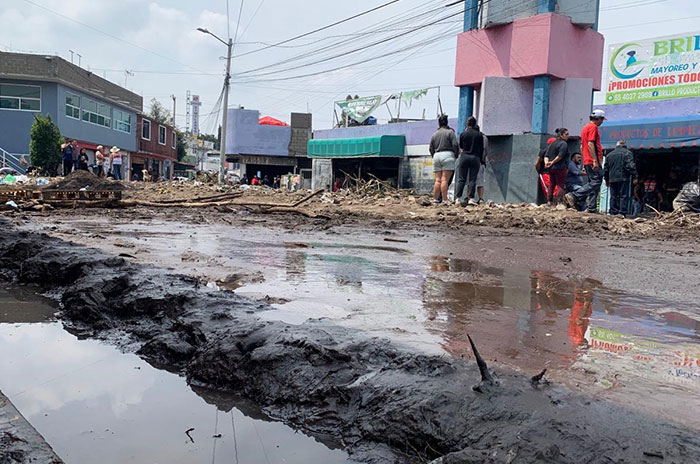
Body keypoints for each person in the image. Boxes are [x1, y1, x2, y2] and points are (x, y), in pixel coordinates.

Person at [565, 110, 606, 212]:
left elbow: (582, 146)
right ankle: (575, 195)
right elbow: (590, 144)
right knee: (596, 182)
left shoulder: (585, 128)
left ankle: (591, 207)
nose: (602, 122)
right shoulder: (593, 127)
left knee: (593, 183)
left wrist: (585, 162)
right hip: (592, 160)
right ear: (599, 119)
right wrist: (595, 161)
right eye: (602, 119)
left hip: (588, 160)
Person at [429, 114, 459, 205]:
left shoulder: (434, 134)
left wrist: (434, 155)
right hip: (447, 155)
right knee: (445, 180)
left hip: (437, 156)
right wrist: (456, 154)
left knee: (437, 180)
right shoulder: (450, 132)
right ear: (447, 123)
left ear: (439, 123)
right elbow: (455, 145)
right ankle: (445, 199)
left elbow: (430, 148)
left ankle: (435, 199)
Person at [454, 116, 484, 206]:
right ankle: (471, 198)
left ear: (467, 124)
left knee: (461, 178)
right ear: (475, 124)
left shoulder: (463, 134)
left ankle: (458, 198)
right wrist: (481, 159)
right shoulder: (479, 135)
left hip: (464, 157)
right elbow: (481, 148)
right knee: (472, 179)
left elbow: (461, 146)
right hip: (475, 157)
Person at [603, 140, 637, 216]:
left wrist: (607, 179)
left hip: (612, 178)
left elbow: (606, 169)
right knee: (623, 195)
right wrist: (635, 176)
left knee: (613, 196)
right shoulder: (627, 153)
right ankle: (622, 212)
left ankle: (613, 211)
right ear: (625, 145)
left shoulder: (609, 155)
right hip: (623, 177)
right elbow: (630, 166)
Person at [544, 128, 570, 205]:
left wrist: (547, 163)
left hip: (551, 168)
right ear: (561, 135)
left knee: (552, 184)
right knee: (560, 185)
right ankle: (559, 202)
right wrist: (552, 162)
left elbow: (546, 155)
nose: (568, 136)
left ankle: (549, 201)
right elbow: (560, 156)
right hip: (560, 167)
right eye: (566, 134)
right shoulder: (564, 144)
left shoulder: (552, 143)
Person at [535, 137, 556, 203]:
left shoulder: (556, 152)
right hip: (545, 173)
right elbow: (537, 163)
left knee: (555, 189)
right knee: (548, 189)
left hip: (553, 173)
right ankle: (551, 203)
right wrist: (540, 172)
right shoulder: (544, 151)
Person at [475, 125, 488, 204]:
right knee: (479, 181)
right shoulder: (483, 137)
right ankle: (480, 198)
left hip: (478, 161)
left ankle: (479, 198)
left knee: (478, 181)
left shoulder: (482, 138)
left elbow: (484, 150)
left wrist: (481, 160)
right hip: (478, 161)